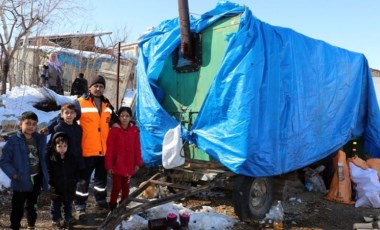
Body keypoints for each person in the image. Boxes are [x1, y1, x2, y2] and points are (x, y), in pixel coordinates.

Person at [41, 75, 117, 218]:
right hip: (87, 149)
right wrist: (50, 128)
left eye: (101, 86)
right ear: (90, 87)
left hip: (103, 150)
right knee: (83, 180)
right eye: (96, 86)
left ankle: (100, 200)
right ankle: (80, 205)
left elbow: (114, 119)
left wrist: (125, 125)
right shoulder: (80, 103)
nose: (98, 88)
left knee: (101, 179)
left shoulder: (107, 104)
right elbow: (62, 116)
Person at [0, 111, 49, 230]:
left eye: (33, 124)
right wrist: (14, 174)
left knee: (32, 204)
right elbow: (4, 161)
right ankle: (15, 226)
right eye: (27, 123)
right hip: (20, 179)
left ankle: (31, 224)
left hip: (36, 177)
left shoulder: (39, 139)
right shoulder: (13, 141)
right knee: (18, 205)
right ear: (20, 124)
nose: (30, 126)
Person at [105, 107, 142, 211]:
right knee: (116, 187)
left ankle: (123, 204)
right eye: (122, 116)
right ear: (119, 117)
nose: (124, 118)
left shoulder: (134, 131)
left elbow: (137, 147)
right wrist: (109, 165)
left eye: (127, 116)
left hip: (129, 164)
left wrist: (138, 163)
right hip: (117, 164)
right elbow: (110, 149)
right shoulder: (114, 130)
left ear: (130, 117)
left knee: (126, 187)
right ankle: (112, 205)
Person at [47, 132, 80, 228]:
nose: (62, 149)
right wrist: (51, 182)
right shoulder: (52, 159)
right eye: (59, 146)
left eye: (64, 146)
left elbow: (76, 170)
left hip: (69, 186)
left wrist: (75, 180)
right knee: (55, 205)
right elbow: (49, 172)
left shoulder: (71, 158)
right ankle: (55, 219)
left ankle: (68, 217)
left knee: (68, 203)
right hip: (56, 186)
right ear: (55, 146)